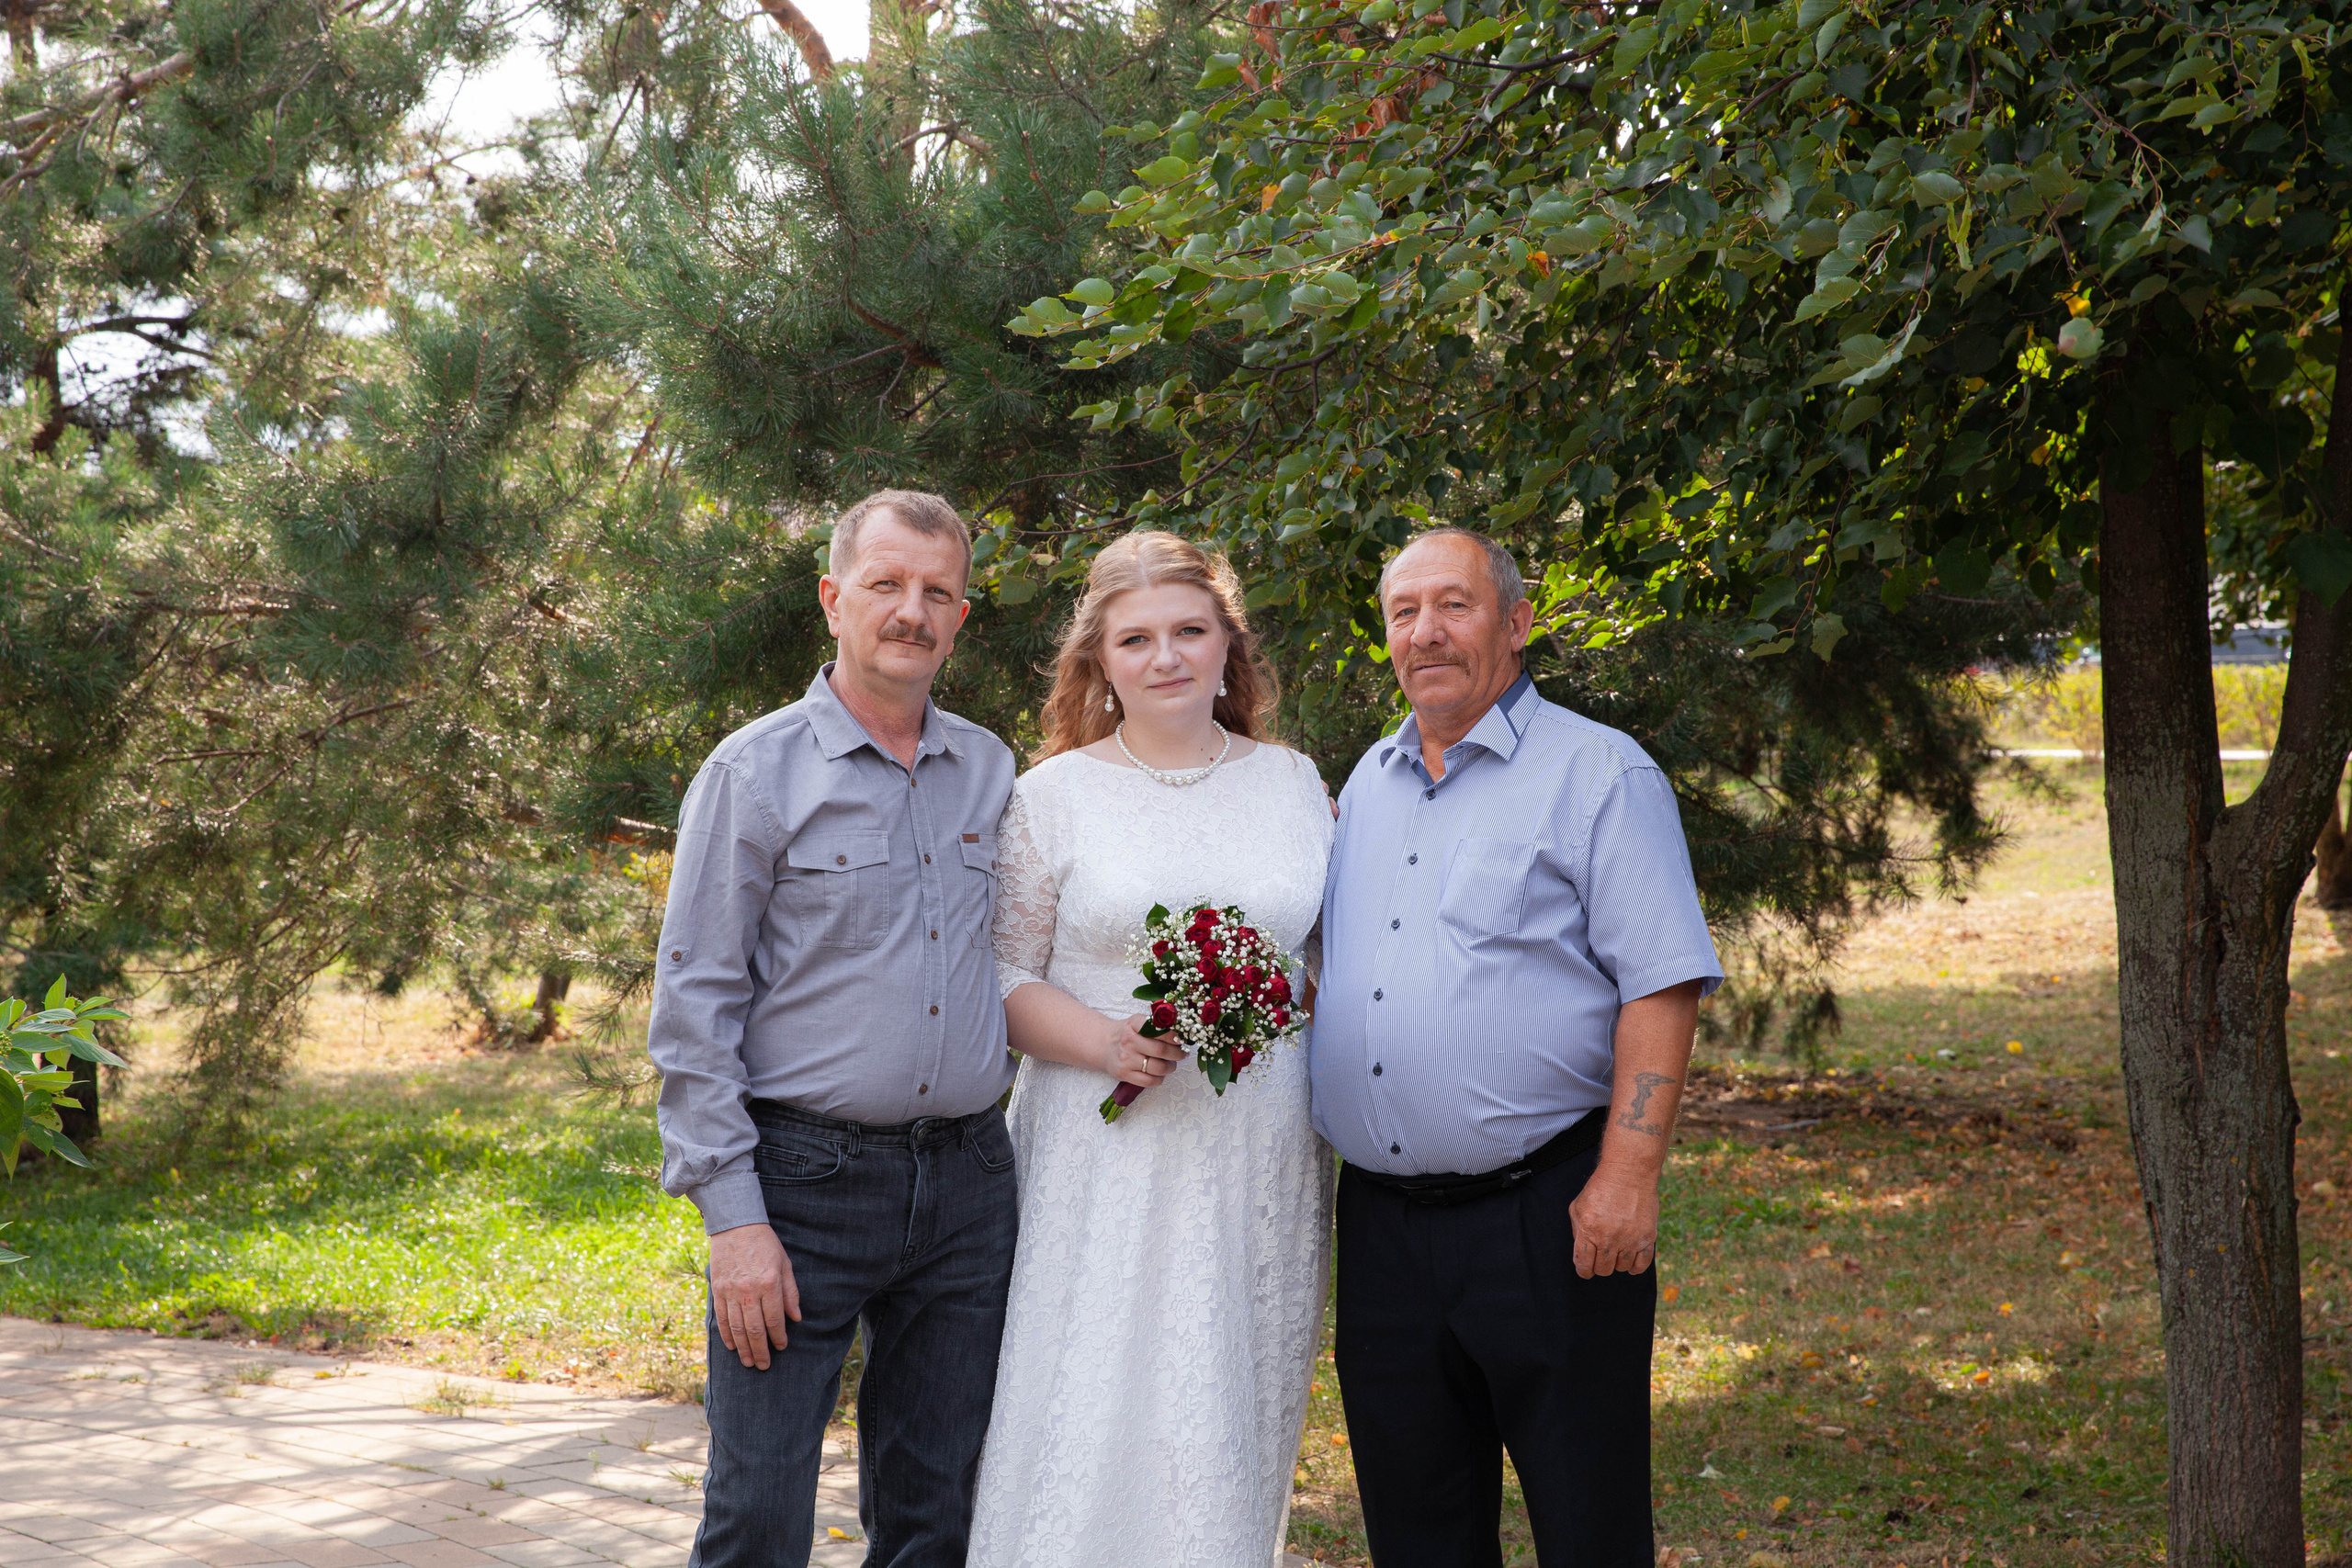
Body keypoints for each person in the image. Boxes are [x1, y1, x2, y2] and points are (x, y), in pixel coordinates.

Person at [1313, 526, 1723, 1566]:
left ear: (1516, 622)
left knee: (1586, 1529)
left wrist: (1628, 1176)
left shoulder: (1598, 774)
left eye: (1453, 605)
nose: (1426, 633)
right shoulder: (1368, 782)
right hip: (1383, 1235)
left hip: (1549, 1219)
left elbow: (1662, 983)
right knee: (1418, 1536)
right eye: (1404, 613)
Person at [647, 490, 1019, 1568]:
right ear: (832, 600)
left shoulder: (993, 772)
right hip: (800, 1185)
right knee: (759, 1511)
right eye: (885, 585)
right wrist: (733, 1221)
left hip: (966, 1188)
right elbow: (693, 1006)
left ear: (959, 616)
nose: (912, 610)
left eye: (937, 592)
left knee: (935, 1512)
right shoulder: (753, 774)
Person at [964, 531, 1335, 1568]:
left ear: (1229, 647)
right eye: (1136, 639)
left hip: (1258, 1146)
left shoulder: (1296, 783)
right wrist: (1104, 1041)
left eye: (1188, 631)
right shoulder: (1053, 797)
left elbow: (1319, 962)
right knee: (1091, 1385)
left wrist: (1261, 995)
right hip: (1102, 1146)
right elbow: (996, 976)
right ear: (1099, 660)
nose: (1165, 657)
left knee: (1227, 1388)